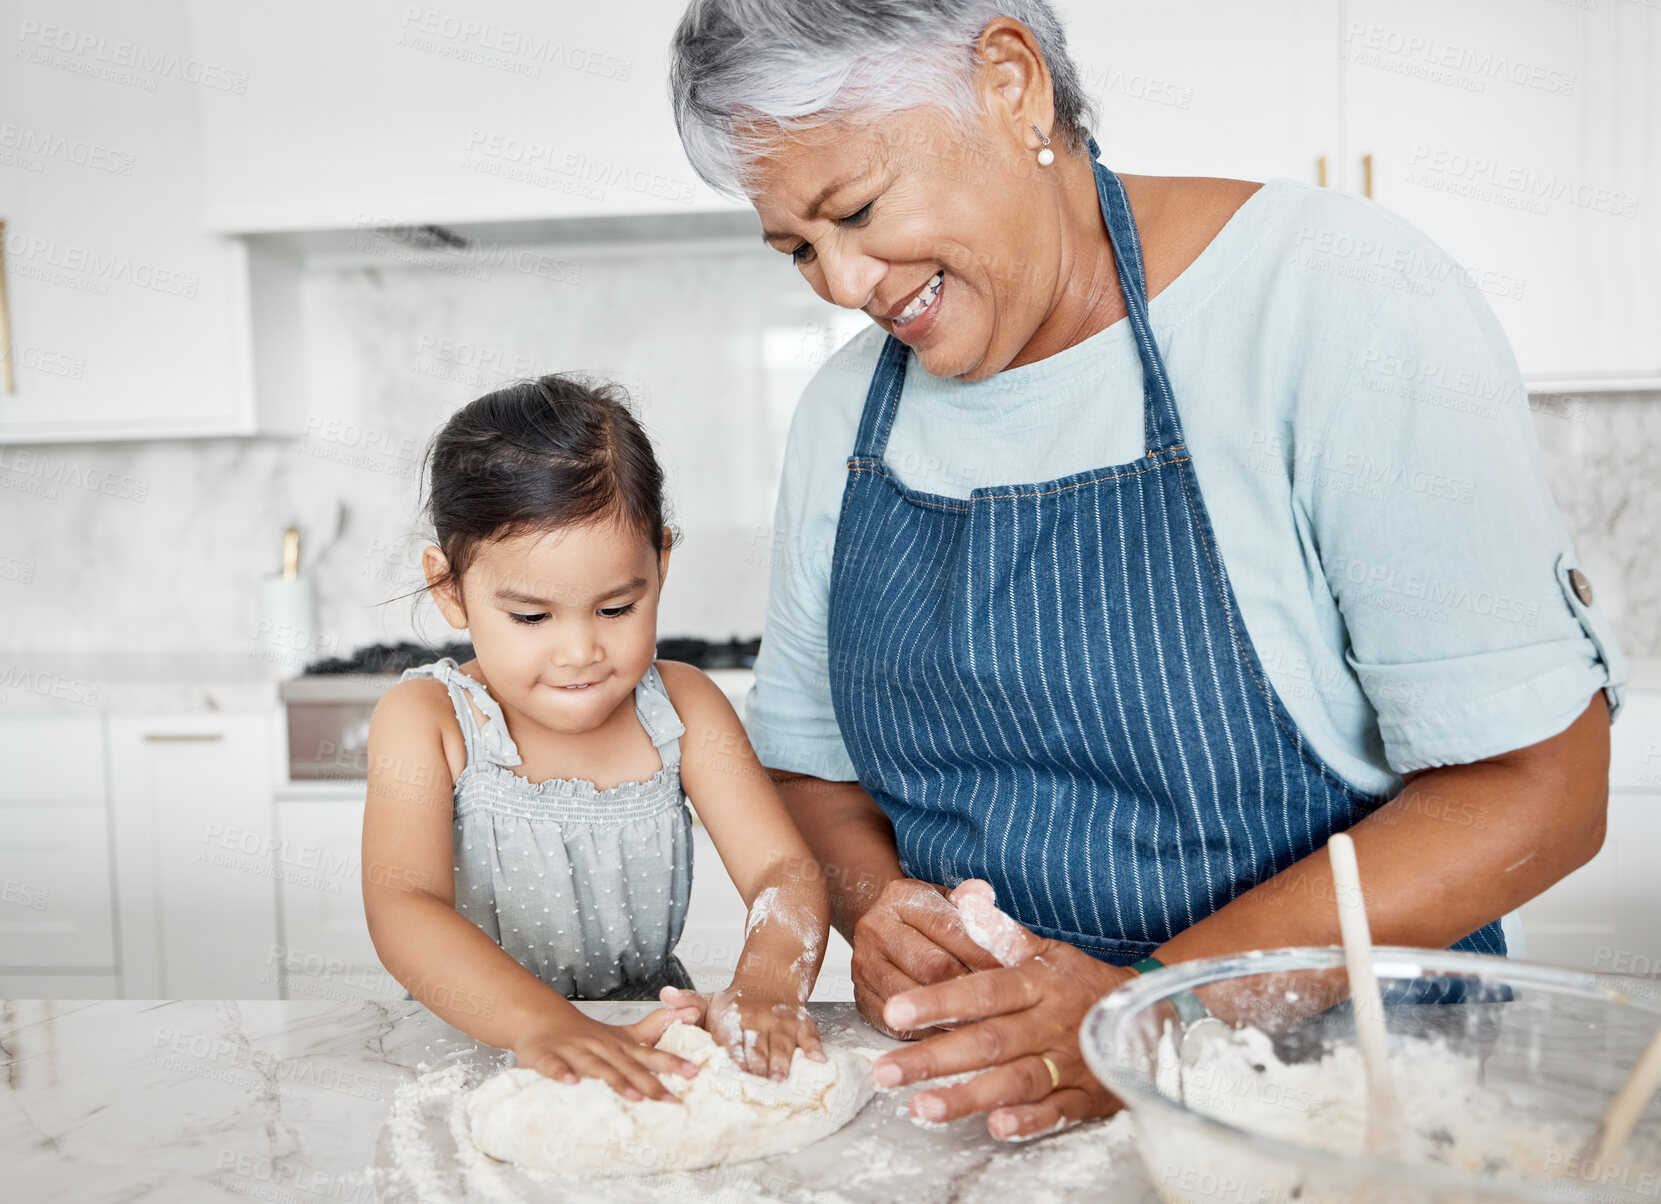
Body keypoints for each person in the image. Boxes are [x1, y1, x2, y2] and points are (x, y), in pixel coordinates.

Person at [668, 0, 1626, 1138]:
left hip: (1353, 1112)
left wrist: (1143, 1012)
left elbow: (1538, 790)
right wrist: (878, 906)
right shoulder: (845, 416)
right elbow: (812, 780)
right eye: (795, 249)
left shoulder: (1334, 299)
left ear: (1010, 81)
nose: (839, 283)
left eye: (857, 211)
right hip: (975, 1119)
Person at [361, 375, 831, 1101]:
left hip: (640, 1043)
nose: (579, 650)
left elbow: (784, 874)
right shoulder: (428, 720)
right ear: (449, 588)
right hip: (475, 1052)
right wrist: (540, 1026)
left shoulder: (683, 707)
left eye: (615, 607)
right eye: (530, 618)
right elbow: (404, 907)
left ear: (660, 563)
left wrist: (768, 983)